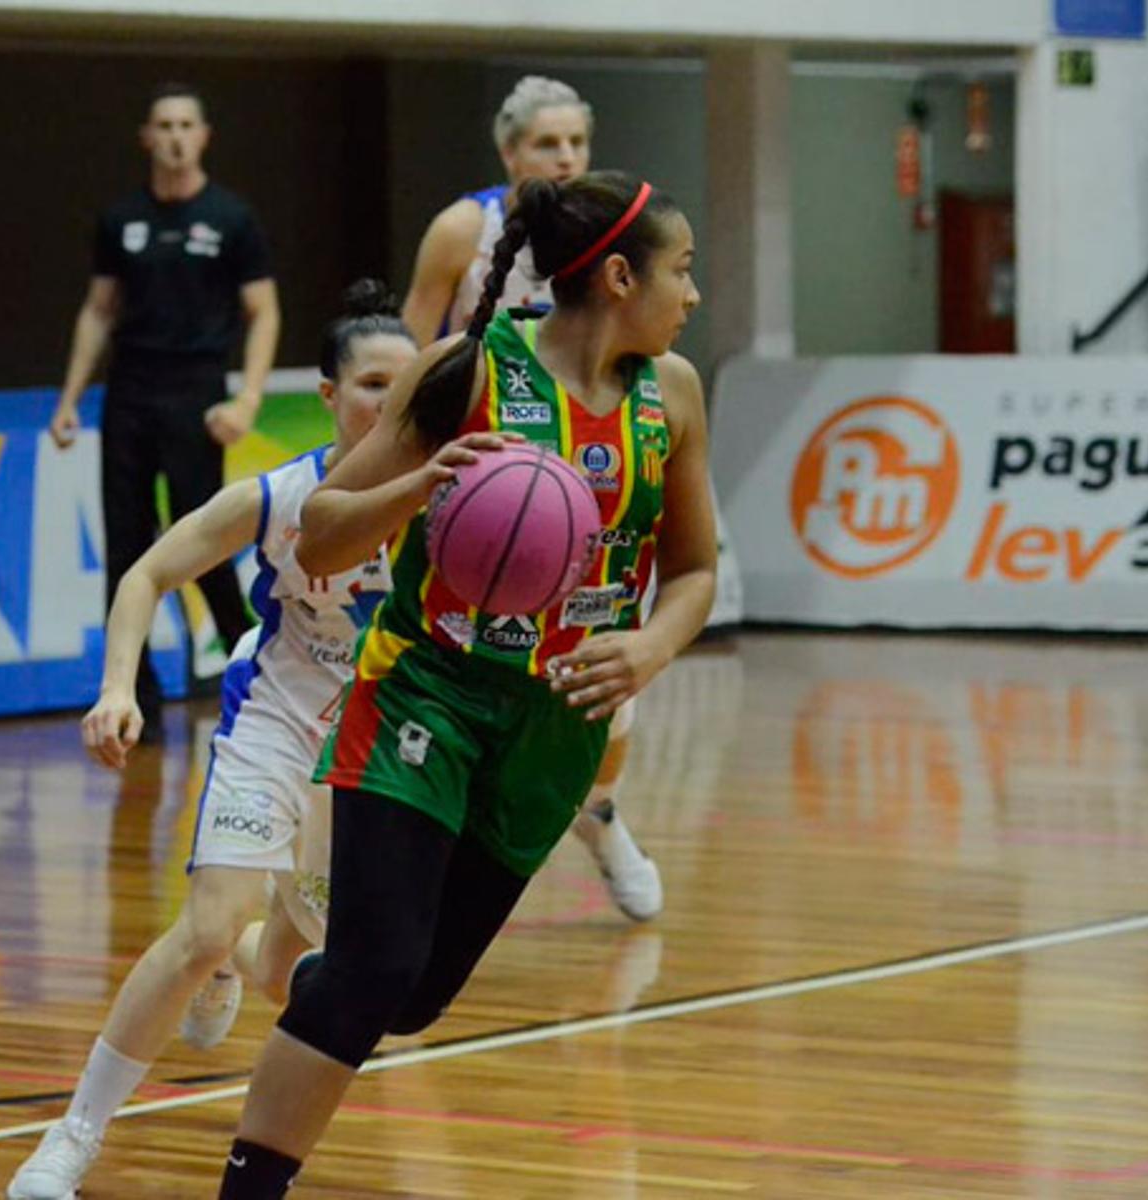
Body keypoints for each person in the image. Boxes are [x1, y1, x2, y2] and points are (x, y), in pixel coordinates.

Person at [217, 171, 716, 1198]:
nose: (693, 295)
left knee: (412, 999)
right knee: (370, 981)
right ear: (620, 276)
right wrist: (419, 485)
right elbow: (317, 535)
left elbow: (697, 569)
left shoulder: (676, 396)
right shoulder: (468, 368)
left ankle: (327, 968)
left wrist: (653, 646)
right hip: (426, 693)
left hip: (553, 730)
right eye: (683, 271)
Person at [6, 283, 412, 1200]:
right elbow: (149, 570)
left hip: (372, 752)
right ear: (329, 395)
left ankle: (238, 954)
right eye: (369, 385)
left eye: (404, 385)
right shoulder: (284, 496)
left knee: (286, 977)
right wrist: (117, 687)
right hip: (274, 714)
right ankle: (71, 1138)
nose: (387, 405)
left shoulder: (450, 502)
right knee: (202, 927)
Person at [403, 73, 663, 922]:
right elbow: (411, 348)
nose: (566, 157)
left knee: (603, 693)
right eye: (549, 144)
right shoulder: (462, 229)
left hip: (586, 493)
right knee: (467, 671)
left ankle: (598, 814)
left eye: (577, 143)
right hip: (481, 493)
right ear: (509, 152)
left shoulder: (605, 237)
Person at [48, 82, 281, 718]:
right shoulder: (121, 219)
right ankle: (130, 695)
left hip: (196, 392)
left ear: (203, 137)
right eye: (164, 126)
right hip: (129, 392)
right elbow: (99, 310)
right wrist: (70, 398)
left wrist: (248, 398)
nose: (176, 137)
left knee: (201, 540)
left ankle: (254, 672)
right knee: (124, 546)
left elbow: (263, 312)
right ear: (147, 138)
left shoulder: (231, 218)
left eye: (187, 125)